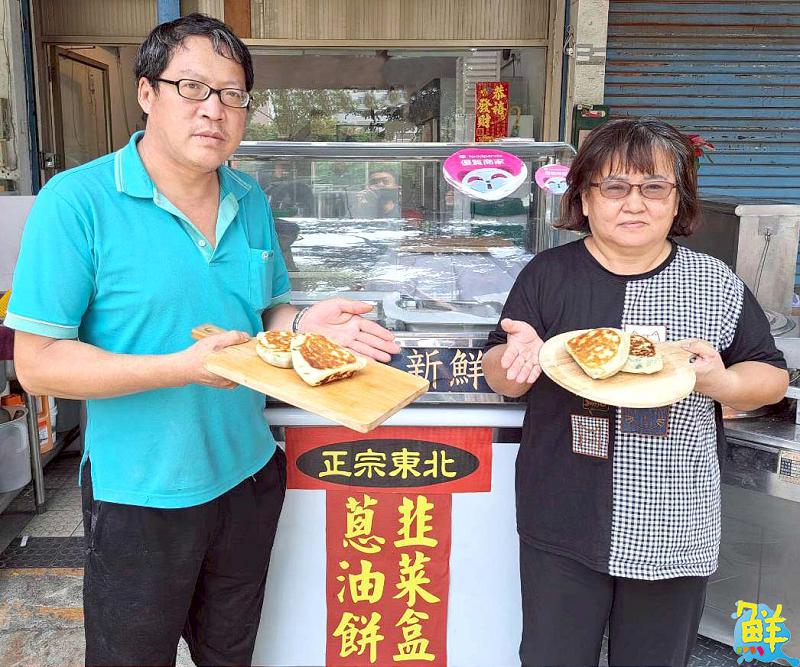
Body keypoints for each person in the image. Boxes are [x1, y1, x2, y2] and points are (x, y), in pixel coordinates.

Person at [5, 14, 399, 667]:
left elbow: (266, 311)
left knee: (230, 653)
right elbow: (37, 364)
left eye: (233, 94)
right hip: (141, 492)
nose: (214, 110)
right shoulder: (75, 201)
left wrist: (301, 327)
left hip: (246, 475)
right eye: (192, 87)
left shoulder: (249, 197)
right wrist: (181, 367)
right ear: (146, 93)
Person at [482, 118, 789, 667]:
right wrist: (515, 359)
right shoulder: (548, 275)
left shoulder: (713, 281)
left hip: (676, 514)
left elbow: (769, 378)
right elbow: (498, 374)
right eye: (615, 186)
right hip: (563, 509)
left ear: (679, 201)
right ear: (585, 196)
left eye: (654, 187)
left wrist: (720, 381)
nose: (634, 204)